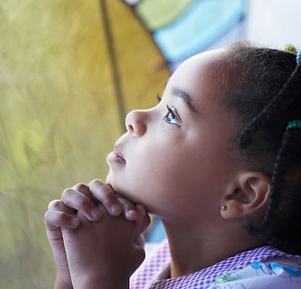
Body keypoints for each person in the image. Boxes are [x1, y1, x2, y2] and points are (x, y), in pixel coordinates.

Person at [44, 41, 301, 289]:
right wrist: (71, 277)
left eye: (171, 115)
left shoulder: (275, 281)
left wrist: (98, 280)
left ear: (241, 194)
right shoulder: (148, 261)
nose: (134, 117)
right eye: (159, 100)